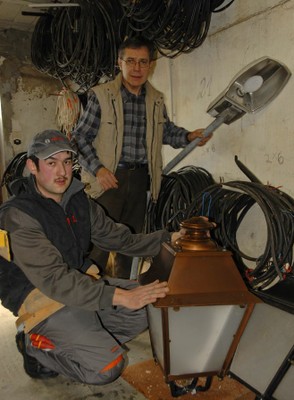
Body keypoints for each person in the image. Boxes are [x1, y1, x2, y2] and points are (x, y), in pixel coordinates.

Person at [0, 129, 184, 384]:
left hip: (78, 284)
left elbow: (122, 240)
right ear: (33, 166)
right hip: (40, 296)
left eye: (66, 161)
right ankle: (35, 346)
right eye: (51, 163)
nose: (62, 172)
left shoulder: (79, 201)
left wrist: (170, 238)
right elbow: (55, 279)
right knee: (108, 368)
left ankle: (84, 334)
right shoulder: (19, 214)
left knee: (153, 304)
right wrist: (121, 296)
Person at [71, 35, 212, 279]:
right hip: (108, 181)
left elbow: (165, 132)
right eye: (131, 61)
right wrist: (99, 170)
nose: (137, 68)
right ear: (120, 63)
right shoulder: (101, 96)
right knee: (99, 245)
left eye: (143, 62)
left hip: (140, 181)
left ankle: (122, 297)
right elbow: (78, 138)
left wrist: (189, 136)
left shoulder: (155, 100)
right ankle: (90, 299)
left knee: (131, 244)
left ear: (151, 65)